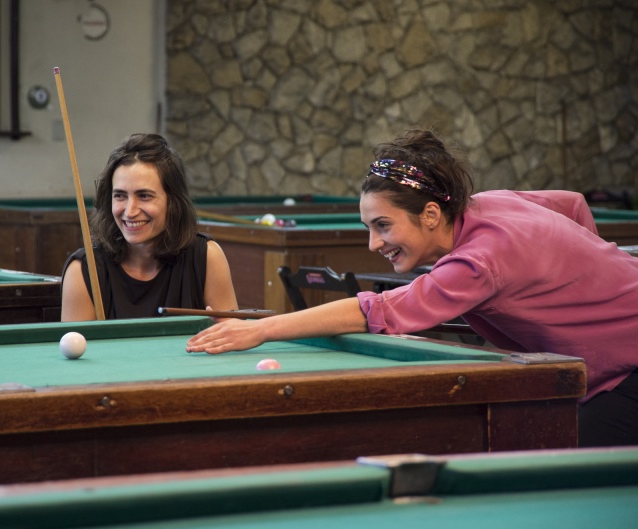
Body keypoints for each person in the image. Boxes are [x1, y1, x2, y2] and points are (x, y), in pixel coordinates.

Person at [186, 129, 638, 447]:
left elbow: (377, 310)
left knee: (570, 483)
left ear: (431, 214)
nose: (373, 243)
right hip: (615, 361)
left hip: (628, 368)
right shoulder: (487, 203)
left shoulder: (476, 263)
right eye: (368, 227)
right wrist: (587, 278)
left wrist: (261, 329)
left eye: (383, 225)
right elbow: (572, 204)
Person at [61, 133, 238, 320]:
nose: (130, 211)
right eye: (120, 195)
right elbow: (76, 339)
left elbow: (231, 334)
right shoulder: (83, 271)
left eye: (144, 196)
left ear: (173, 201)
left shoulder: (207, 257)